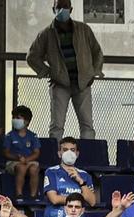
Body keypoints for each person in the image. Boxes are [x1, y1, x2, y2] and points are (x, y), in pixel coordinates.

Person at [26, 3, 100, 140]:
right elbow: (32, 56)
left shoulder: (84, 29)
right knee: (57, 126)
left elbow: (97, 51)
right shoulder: (46, 34)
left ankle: (88, 158)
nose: (62, 10)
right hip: (60, 84)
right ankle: (55, 157)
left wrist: (93, 72)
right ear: (53, 9)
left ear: (71, 10)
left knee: (87, 125)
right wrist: (47, 71)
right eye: (59, 6)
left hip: (83, 84)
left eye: (65, 6)